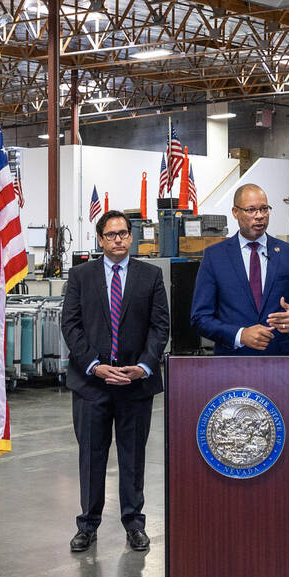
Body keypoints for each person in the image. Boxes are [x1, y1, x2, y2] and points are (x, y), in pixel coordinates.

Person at [61, 210, 169, 553]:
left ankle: (134, 524)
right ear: (100, 240)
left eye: (124, 233)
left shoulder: (150, 276)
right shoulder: (81, 276)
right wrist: (94, 366)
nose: (119, 239)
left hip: (135, 386)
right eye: (111, 234)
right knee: (91, 457)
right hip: (92, 385)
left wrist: (144, 366)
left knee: (133, 458)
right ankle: (87, 525)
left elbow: (160, 327)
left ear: (131, 236)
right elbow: (71, 325)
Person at [190, 183, 289, 355]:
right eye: (251, 210)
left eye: (264, 209)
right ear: (235, 212)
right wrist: (240, 335)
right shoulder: (215, 257)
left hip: (279, 363)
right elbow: (200, 319)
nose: (259, 216)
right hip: (232, 365)